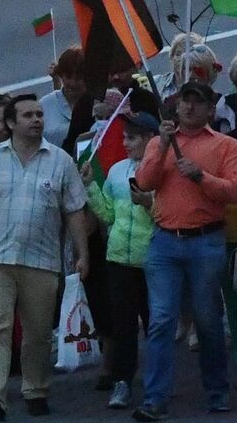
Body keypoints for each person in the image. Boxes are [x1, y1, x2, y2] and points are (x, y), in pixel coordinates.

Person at [0, 94, 93, 422]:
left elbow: (74, 210)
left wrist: (82, 253)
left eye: (40, 114)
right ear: (11, 123)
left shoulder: (60, 161)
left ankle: (35, 389)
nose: (37, 120)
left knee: (38, 332)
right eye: (28, 115)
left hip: (41, 261)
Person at [130, 81, 237, 421]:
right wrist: (164, 145)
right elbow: (145, 182)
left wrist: (202, 178)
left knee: (208, 320)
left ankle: (216, 390)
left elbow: (235, 191)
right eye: (184, 102)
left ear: (210, 109)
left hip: (206, 241)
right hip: (165, 241)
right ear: (176, 107)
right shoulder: (159, 142)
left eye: (197, 102)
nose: (189, 108)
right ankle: (155, 398)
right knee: (161, 320)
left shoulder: (226, 145)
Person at [85, 110, 159, 411]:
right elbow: (109, 215)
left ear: (150, 139)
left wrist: (148, 202)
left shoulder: (162, 170)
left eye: (132, 137)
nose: (126, 143)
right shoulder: (116, 171)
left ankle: (157, 382)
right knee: (123, 325)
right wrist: (90, 186)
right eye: (125, 137)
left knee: (155, 324)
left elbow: (169, 215)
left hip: (153, 260)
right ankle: (123, 382)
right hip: (118, 259)